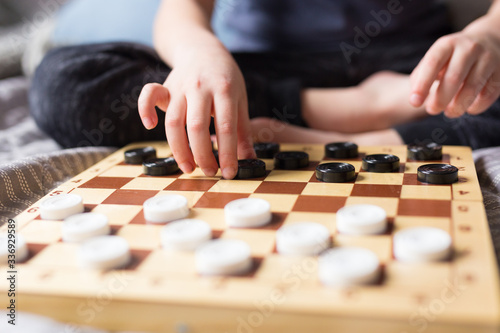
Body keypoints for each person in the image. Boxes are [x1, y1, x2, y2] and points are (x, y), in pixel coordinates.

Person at [30, 0, 500, 180]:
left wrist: (491, 34)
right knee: (67, 82)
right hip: (262, 76)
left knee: (486, 83)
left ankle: (354, 119)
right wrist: (200, 53)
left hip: (417, 68)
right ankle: (357, 110)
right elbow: (182, 10)